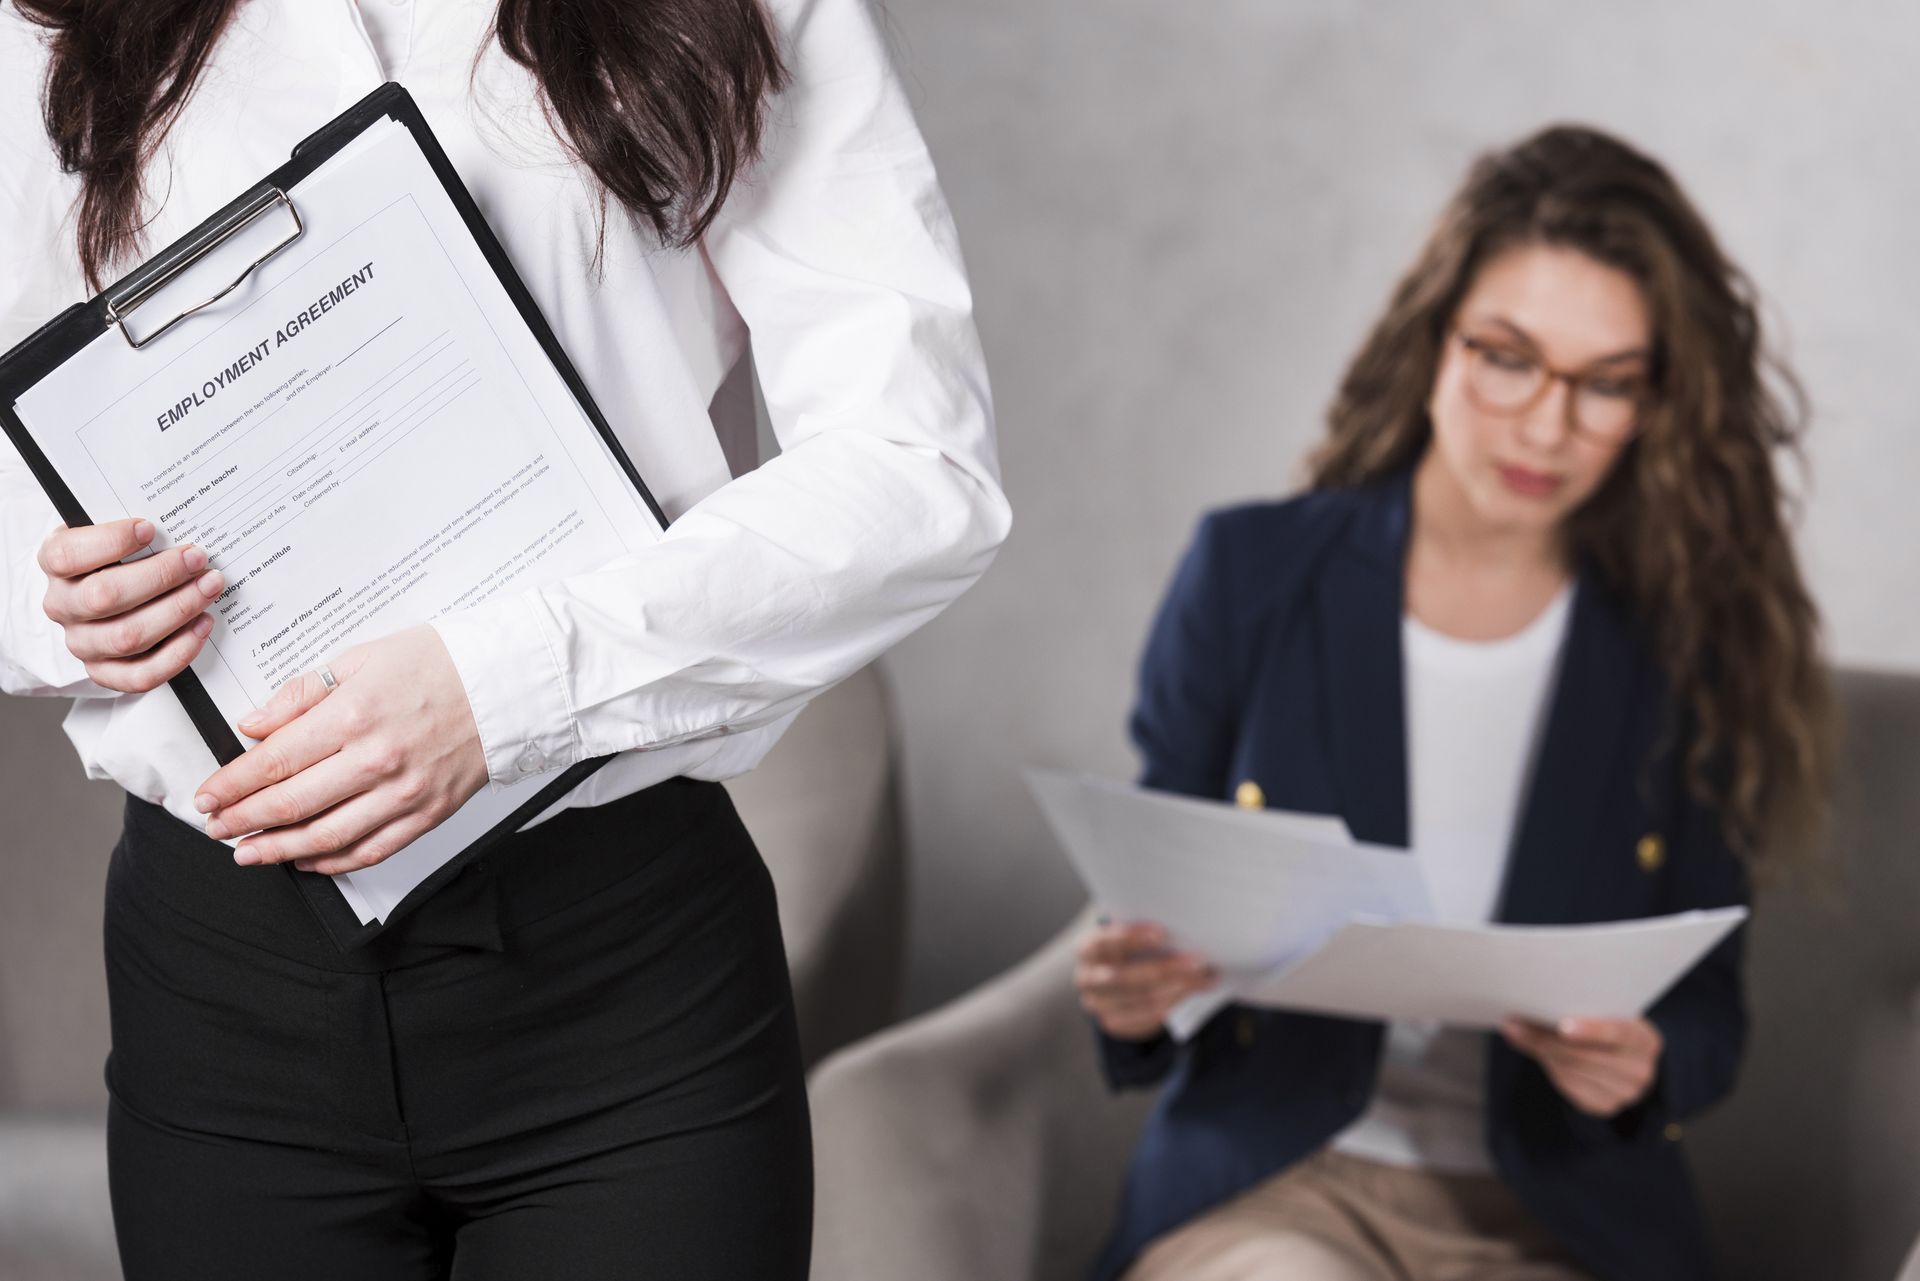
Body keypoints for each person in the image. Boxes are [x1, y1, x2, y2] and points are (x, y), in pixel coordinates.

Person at [0, 1, 1009, 1277]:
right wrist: (49, 598)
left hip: (621, 976)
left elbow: (918, 466)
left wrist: (510, 686)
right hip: (222, 997)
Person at [1074, 124, 1832, 1281]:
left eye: (1607, 385)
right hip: (1281, 1185)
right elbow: (1154, 890)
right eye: (1508, 356)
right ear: (1435, 341)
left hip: (1556, 1217)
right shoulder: (1251, 572)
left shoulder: (1684, 646)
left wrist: (1642, 1064)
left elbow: (1709, 1017)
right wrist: (1131, 996)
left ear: (1655, 405)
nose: (1546, 424)